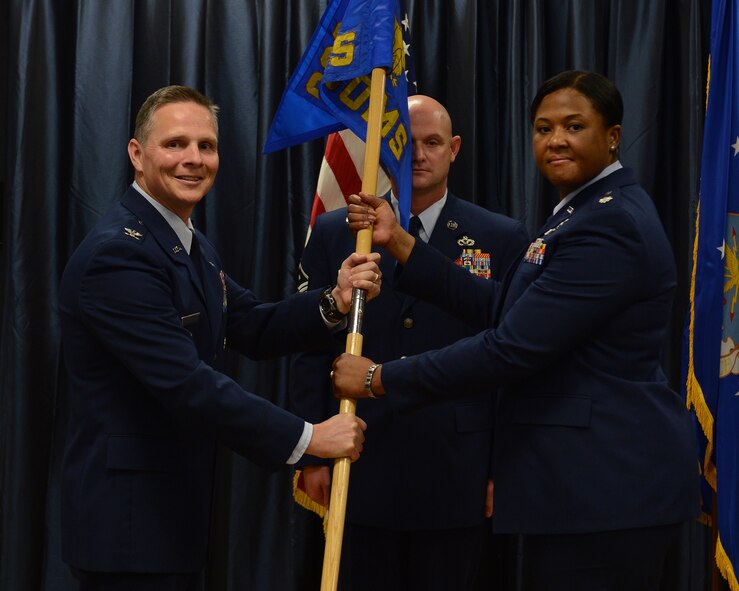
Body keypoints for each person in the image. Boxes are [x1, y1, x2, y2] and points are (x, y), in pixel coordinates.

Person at [332, 71, 699, 590]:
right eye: (544, 128)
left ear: (612, 136)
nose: (556, 140)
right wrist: (401, 245)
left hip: (606, 488)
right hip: (582, 488)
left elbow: (509, 348)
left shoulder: (609, 224)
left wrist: (377, 379)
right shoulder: (579, 211)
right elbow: (504, 306)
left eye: (574, 126)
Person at [58, 85, 381, 591]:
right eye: (175, 144)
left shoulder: (188, 243)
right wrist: (309, 437)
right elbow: (188, 384)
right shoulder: (118, 256)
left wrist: (335, 300)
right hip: (128, 529)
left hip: (171, 517)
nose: (194, 159)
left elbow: (251, 324)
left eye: (206, 146)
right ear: (137, 155)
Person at [290, 95, 529, 590]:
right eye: (408, 142)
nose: (419, 154)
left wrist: (501, 466)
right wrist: (312, 453)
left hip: (456, 465)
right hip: (359, 460)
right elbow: (309, 344)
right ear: (387, 146)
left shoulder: (501, 236)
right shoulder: (337, 231)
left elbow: (511, 359)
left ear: (454, 148)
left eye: (433, 142)